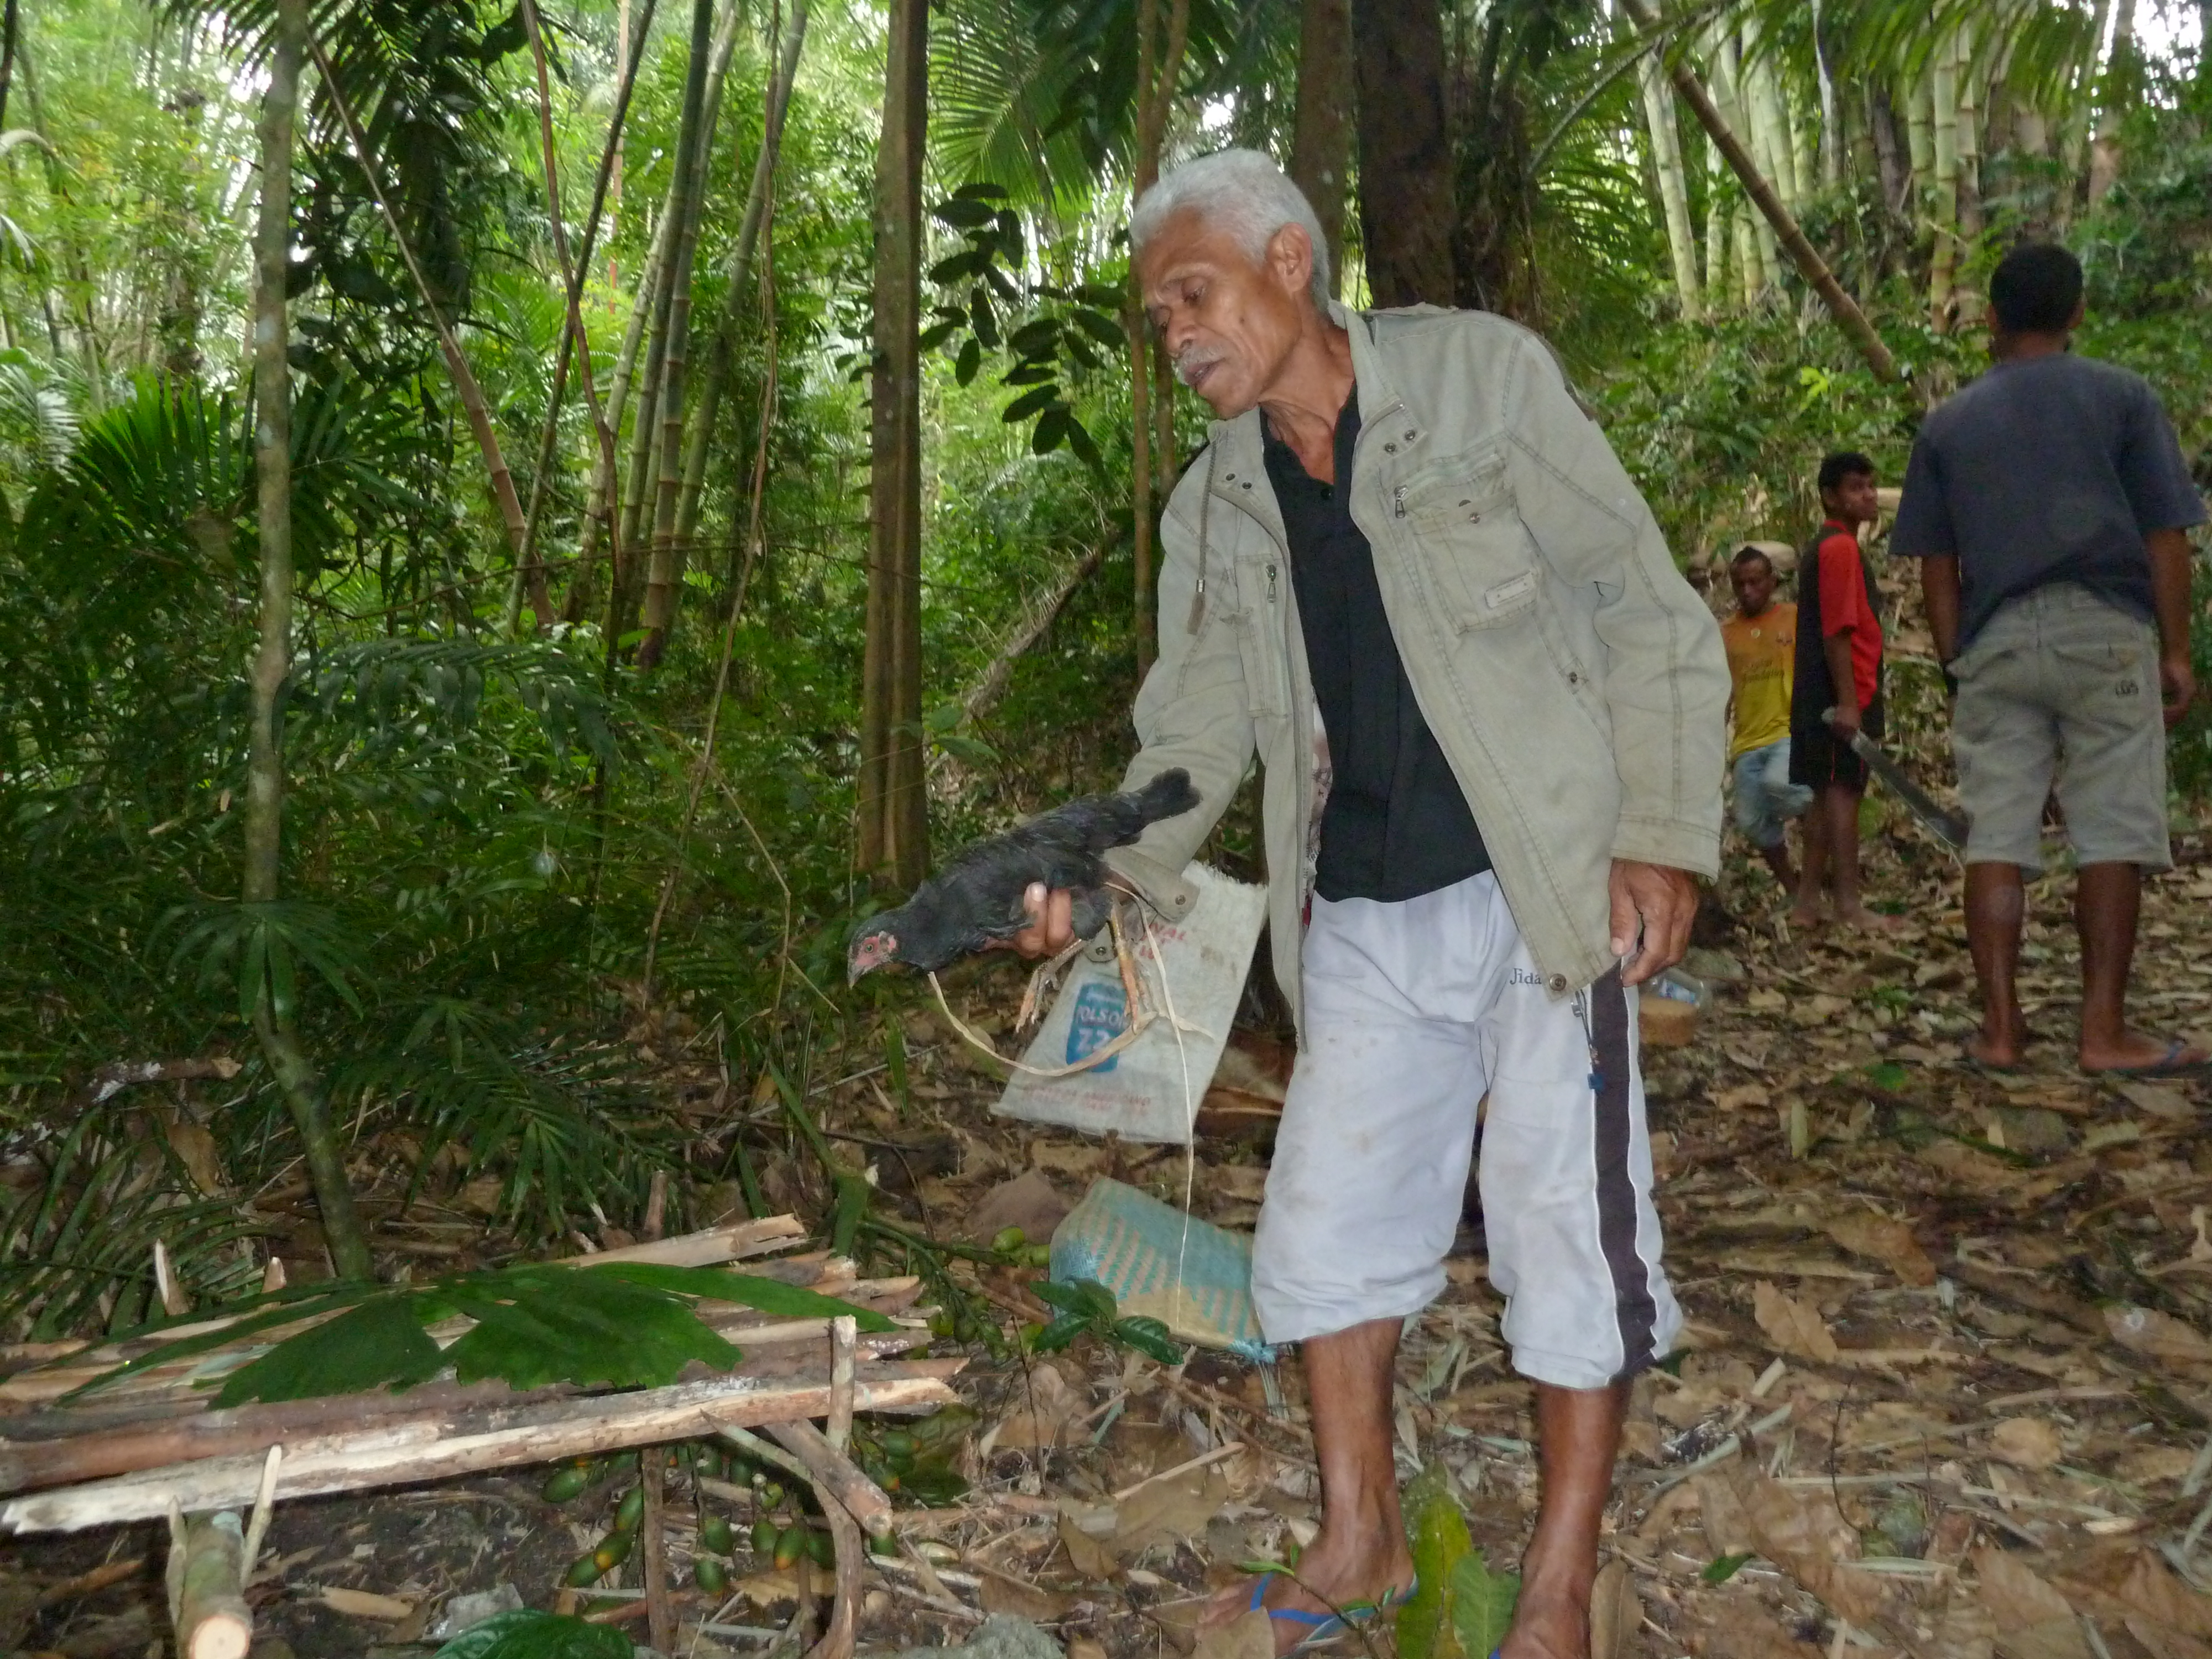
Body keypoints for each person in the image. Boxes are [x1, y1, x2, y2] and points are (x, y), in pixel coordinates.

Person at [1007, 149, 1729, 1659]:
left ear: (1287, 262)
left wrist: (1661, 833)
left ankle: (1555, 1589)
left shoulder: (1480, 383)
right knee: (1324, 1233)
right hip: (1358, 915)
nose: (1174, 333)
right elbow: (1193, 731)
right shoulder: (1218, 502)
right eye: (1156, 316)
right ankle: (1362, 1542)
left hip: (1545, 896)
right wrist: (1101, 864)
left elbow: (1643, 602)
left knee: (1568, 1234)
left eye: (1191, 294)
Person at [1891, 242, 2206, 1077]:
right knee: (2112, 829)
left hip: (1996, 637)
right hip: (2105, 630)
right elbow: (2165, 534)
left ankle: (2001, 1030)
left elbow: (1936, 563)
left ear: (1991, 319)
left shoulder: (1949, 423)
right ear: (2077, 314)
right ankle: (2103, 1033)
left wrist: (1957, 661)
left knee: (1997, 830)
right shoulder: (2123, 398)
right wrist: (2176, 651)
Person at [1789, 452, 1901, 933]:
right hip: (1840, 694)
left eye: (1871, 486)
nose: (1869, 496)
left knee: (1825, 795)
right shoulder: (1838, 548)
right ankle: (1849, 905)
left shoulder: (1833, 546)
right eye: (1856, 488)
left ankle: (1806, 904)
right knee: (1842, 795)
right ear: (1830, 497)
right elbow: (1838, 628)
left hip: (1826, 692)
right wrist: (1850, 702)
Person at [1722, 545, 1812, 889]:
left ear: (1772, 581)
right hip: (1747, 741)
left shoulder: (1794, 618)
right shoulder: (1726, 634)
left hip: (1788, 730)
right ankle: (1794, 889)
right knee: (1751, 821)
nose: (1748, 591)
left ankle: (1823, 857)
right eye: (1740, 584)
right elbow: (1722, 692)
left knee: (1784, 786)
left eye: (1756, 582)